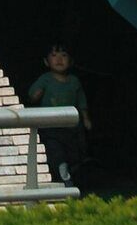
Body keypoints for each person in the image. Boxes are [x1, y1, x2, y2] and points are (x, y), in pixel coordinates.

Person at [24, 44, 89, 187]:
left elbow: (81, 101)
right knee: (56, 152)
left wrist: (85, 118)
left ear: (71, 61)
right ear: (46, 61)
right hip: (51, 128)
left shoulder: (73, 81)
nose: (59, 59)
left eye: (64, 56)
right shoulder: (45, 79)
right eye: (54, 56)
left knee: (74, 153)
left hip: (71, 127)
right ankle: (64, 178)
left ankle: (71, 174)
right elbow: (32, 95)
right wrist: (36, 95)